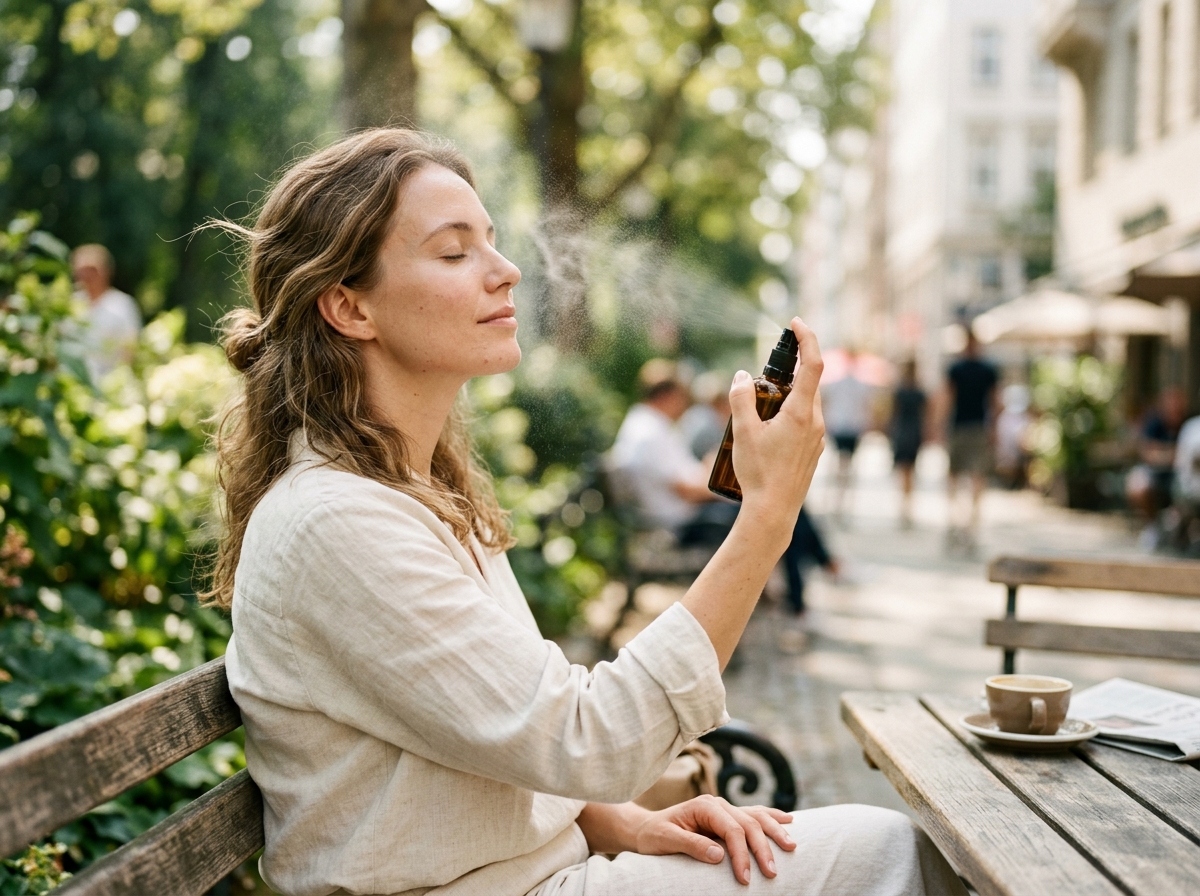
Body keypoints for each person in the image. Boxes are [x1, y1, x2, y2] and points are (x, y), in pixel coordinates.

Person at [211, 129, 965, 896]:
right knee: (889, 852)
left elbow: (508, 732)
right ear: (348, 305)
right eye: (452, 252)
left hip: (539, 874)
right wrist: (768, 516)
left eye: (493, 244)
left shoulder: (405, 492)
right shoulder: (338, 524)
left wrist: (620, 822)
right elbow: (588, 738)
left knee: (885, 849)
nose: (504, 273)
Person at [943, 330, 998, 548]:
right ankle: (966, 522)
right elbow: (995, 402)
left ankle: (961, 521)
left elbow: (948, 399)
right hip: (973, 427)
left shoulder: (958, 369)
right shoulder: (986, 369)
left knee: (961, 477)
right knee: (973, 477)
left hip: (964, 427)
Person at [70, 243, 142, 382]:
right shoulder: (70, 305)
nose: (86, 276)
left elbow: (131, 348)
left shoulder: (122, 305)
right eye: (82, 271)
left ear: (106, 271)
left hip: (112, 384)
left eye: (92, 270)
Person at [1126, 387, 1188, 546]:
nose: (1175, 407)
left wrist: (1165, 453)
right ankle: (1152, 527)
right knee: (1138, 484)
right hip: (1156, 474)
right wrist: (1174, 454)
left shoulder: (1189, 423)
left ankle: (1181, 532)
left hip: (1183, 477)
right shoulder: (1154, 423)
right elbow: (1147, 452)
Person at [820, 351, 875, 520]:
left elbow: (826, 402)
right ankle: (841, 500)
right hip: (850, 426)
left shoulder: (838, 384)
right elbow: (866, 407)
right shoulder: (859, 385)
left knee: (840, 464)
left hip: (842, 425)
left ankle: (837, 500)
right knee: (846, 465)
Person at [889, 360, 927, 528]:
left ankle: (905, 507)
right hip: (913, 433)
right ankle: (907, 506)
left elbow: (893, 414)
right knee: (910, 471)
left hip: (903, 432)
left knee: (903, 471)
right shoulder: (918, 392)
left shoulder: (900, 391)